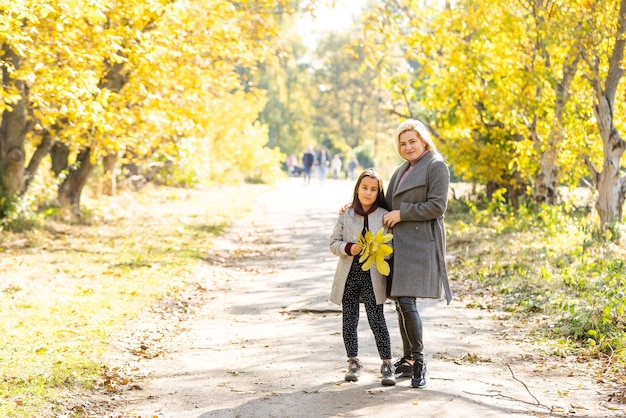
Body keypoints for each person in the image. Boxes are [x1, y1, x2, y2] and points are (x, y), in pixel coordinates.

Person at [382, 119, 452, 389]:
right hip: (399, 244)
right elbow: (386, 204)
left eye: (412, 141)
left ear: (424, 141)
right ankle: (409, 360)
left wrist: (403, 213)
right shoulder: (402, 170)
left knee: (407, 302)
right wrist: (354, 207)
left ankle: (421, 364)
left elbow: (437, 206)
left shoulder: (436, 166)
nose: (407, 146)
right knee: (401, 300)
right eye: (402, 143)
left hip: (421, 243)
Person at [329, 169, 396, 386]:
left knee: (377, 319)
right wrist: (349, 247)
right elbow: (333, 243)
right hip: (349, 275)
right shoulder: (346, 215)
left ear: (379, 192)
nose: (368, 193)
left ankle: (387, 363)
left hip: (373, 275)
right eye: (364, 187)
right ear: (357, 188)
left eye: (373, 189)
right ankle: (353, 362)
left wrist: (381, 249)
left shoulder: (384, 216)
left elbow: (391, 245)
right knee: (349, 319)